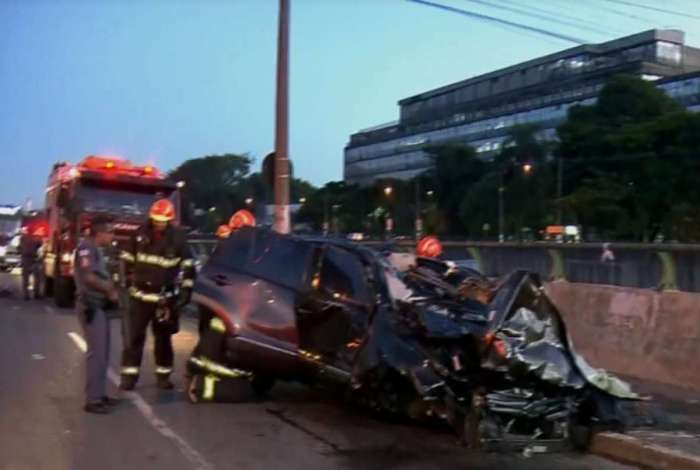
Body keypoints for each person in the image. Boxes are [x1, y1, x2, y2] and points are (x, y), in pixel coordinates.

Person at [119, 199, 195, 391]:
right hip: (140, 296)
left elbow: (188, 265)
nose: (159, 223)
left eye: (163, 220)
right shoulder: (139, 235)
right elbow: (125, 259)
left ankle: (163, 377)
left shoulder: (178, 238)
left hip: (165, 299)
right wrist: (125, 283)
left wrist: (186, 291)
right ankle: (129, 377)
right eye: (156, 220)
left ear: (169, 220)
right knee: (134, 338)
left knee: (163, 339)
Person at [73, 217, 120, 414]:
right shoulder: (86, 249)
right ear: (99, 233)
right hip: (90, 306)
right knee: (97, 354)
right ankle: (92, 400)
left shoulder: (97, 250)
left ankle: (99, 395)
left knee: (103, 354)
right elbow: (88, 276)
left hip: (99, 306)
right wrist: (109, 290)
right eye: (109, 232)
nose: (112, 236)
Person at [19, 227, 42, 300]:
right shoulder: (35, 238)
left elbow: (19, 248)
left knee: (26, 278)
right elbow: (39, 245)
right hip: (33, 258)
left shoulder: (22, 238)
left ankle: (26, 295)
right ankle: (36, 294)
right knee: (36, 277)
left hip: (26, 258)